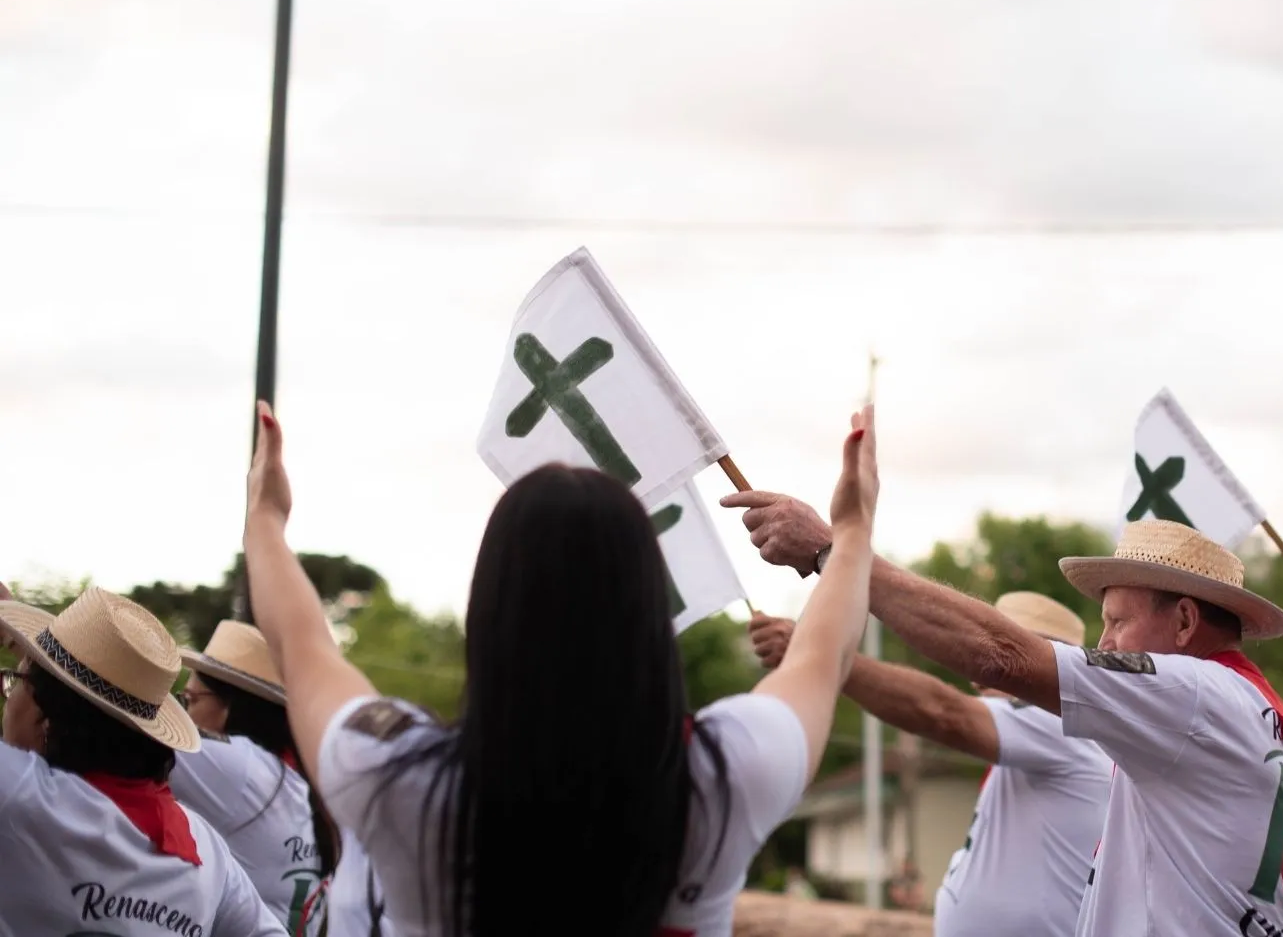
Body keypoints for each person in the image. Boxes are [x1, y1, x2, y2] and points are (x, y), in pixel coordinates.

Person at [242, 401, 880, 936]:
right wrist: (850, 532)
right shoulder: (728, 775)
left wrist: (265, 523)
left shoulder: (401, 782)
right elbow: (824, 658)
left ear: (490, 612)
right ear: (649, 612)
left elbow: (304, 652)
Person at [724, 497, 1283, 937]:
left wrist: (838, 555)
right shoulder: (1263, 730)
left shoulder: (1194, 698)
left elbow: (1000, 659)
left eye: (1118, 622)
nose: (1104, 646)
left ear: (1183, 622)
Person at [749, 590, 1110, 937]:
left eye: (995, 661)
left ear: (1038, 660)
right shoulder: (1045, 737)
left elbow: (942, 712)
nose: (975, 678)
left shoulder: (1060, 724)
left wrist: (823, 654)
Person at [0, 584, 282, 935]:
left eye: (14, 682)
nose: (7, 700)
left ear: (45, 718)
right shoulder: (206, 850)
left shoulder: (19, 794)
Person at [172, 619, 336, 934]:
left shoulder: (239, 767)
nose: (184, 715)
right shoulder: (300, 781)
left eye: (190, 700)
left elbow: (123, 736)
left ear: (228, 708)